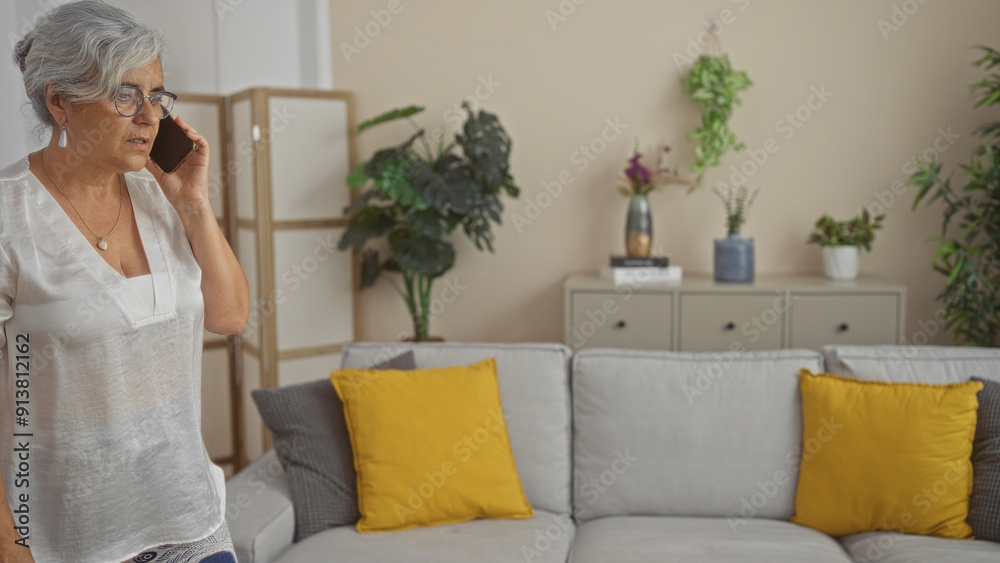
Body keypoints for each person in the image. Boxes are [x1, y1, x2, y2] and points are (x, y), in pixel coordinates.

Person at [0, 1, 249, 561]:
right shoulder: (9, 215)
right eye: (125, 94)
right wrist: (10, 545)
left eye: (156, 95)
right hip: (69, 537)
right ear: (59, 101)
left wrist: (194, 204)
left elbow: (230, 317)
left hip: (190, 520)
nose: (150, 117)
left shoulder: (160, 195)